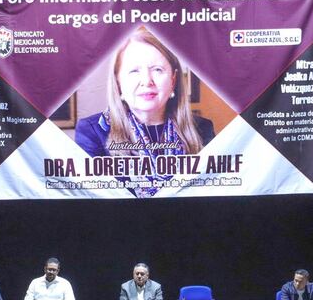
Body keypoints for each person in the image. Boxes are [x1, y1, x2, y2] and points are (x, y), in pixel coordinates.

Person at [75, 29, 215, 198]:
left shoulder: (202, 128)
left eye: (157, 70)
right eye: (134, 71)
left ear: (173, 79)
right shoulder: (92, 132)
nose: (147, 81)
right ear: (118, 82)